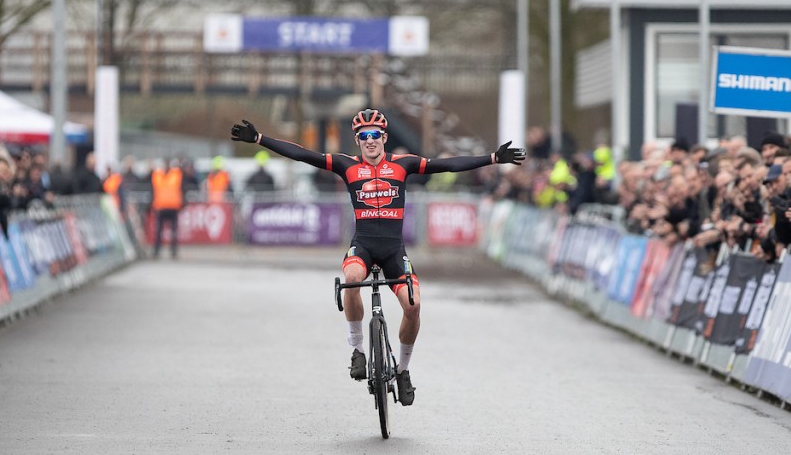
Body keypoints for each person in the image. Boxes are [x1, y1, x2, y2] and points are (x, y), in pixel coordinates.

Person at [231, 108, 525, 406]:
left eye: (375, 135)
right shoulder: (346, 165)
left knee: (413, 305)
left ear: (384, 137)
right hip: (364, 244)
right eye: (363, 136)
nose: (370, 140)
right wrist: (259, 138)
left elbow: (447, 165)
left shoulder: (403, 164)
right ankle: (358, 350)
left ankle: (403, 370)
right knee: (352, 279)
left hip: (394, 250)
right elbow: (304, 155)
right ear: (357, 140)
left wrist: (492, 158)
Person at [150, 158, 184, 259]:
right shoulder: (157, 175)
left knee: (174, 231)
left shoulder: (176, 174)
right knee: (158, 231)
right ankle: (156, 251)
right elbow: (153, 190)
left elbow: (182, 188)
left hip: (173, 207)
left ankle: (173, 251)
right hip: (160, 207)